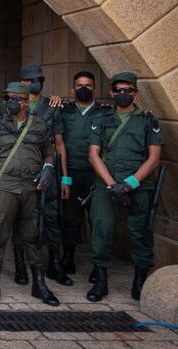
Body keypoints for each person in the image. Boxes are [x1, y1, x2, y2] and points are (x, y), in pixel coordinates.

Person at [0, 82, 60, 307]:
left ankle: (39, 284)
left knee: (31, 236)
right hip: (4, 187)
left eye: (15, 99)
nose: (10, 103)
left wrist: (48, 170)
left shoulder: (40, 125)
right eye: (7, 99)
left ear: (25, 101)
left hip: (31, 187)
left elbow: (49, 155)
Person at [86, 72, 162, 302]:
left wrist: (128, 185)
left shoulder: (148, 121)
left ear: (136, 93)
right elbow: (93, 154)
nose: (122, 94)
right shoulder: (100, 119)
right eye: (118, 90)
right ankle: (101, 282)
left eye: (127, 90)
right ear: (111, 93)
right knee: (101, 230)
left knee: (140, 233)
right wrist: (113, 185)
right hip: (106, 185)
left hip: (138, 185)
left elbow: (154, 158)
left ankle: (139, 282)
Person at [16, 65, 71, 287]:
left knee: (51, 218)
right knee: (20, 218)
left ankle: (54, 264)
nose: (35, 83)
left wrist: (65, 177)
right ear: (23, 82)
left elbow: (59, 144)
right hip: (21, 170)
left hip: (47, 170)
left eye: (39, 79)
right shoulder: (13, 104)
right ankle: (21, 265)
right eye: (30, 80)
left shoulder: (52, 106)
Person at [58, 71, 109, 279]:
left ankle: (98, 267)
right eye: (79, 85)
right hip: (71, 171)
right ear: (72, 89)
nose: (84, 88)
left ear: (95, 89)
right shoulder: (64, 111)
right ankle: (68, 257)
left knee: (98, 219)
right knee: (70, 218)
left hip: (96, 174)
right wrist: (64, 177)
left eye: (88, 85)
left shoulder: (106, 113)